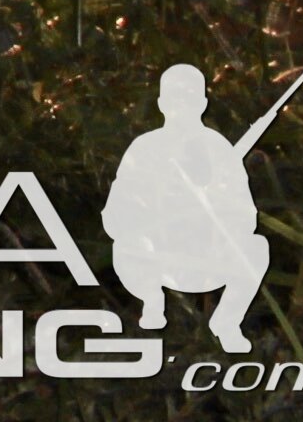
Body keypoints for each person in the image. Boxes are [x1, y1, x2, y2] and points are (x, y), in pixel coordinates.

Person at [106, 61, 273, 353]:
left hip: (207, 255)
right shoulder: (144, 149)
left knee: (257, 248)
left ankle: (227, 323)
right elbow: (115, 213)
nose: (182, 105)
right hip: (158, 256)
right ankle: (152, 305)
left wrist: (215, 207)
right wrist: (156, 212)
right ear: (161, 103)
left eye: (190, 97)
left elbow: (248, 217)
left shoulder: (220, 150)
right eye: (174, 97)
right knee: (126, 246)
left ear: (203, 103)